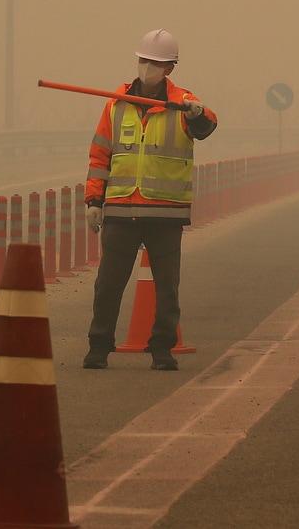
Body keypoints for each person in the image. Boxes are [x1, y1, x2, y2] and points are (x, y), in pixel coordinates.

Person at [82, 28, 217, 371]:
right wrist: (94, 201)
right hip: (121, 209)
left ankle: (162, 350)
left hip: (164, 213)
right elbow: (100, 155)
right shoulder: (116, 104)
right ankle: (98, 347)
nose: (147, 68)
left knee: (167, 290)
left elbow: (207, 126)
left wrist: (196, 113)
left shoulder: (183, 102)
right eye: (144, 61)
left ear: (169, 68)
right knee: (108, 285)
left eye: (155, 63)